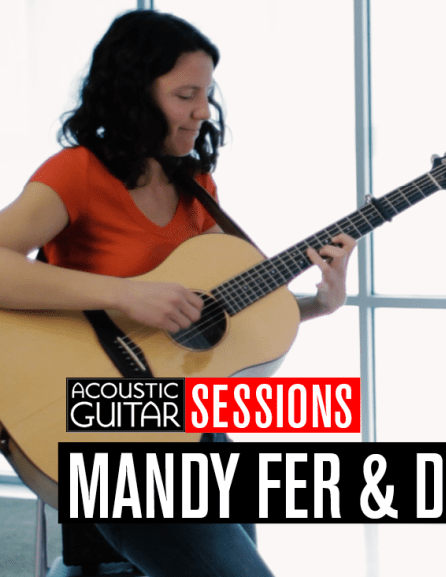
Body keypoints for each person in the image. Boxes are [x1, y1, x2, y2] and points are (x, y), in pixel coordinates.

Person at [0, 10, 356, 577]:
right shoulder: (77, 174)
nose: (202, 111)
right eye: (185, 94)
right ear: (131, 94)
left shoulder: (196, 187)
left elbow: (218, 316)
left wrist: (318, 303)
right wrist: (124, 295)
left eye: (207, 94)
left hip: (189, 421)